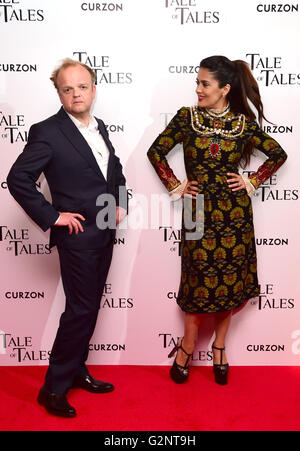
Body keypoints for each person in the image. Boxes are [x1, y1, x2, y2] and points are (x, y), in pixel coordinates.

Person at [147, 55, 287, 386]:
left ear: (224, 88)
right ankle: (188, 346)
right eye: (197, 82)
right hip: (196, 211)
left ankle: (220, 347)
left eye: (204, 83)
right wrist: (176, 185)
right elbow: (156, 152)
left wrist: (252, 181)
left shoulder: (243, 124)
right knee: (197, 282)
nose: (197, 89)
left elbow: (278, 154)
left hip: (234, 215)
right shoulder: (186, 118)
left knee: (230, 283)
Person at [7, 58, 127, 417]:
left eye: (82, 86)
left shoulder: (98, 126)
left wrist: (120, 201)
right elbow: (18, 180)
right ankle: (53, 387)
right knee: (79, 310)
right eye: (67, 88)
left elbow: (113, 169)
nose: (76, 93)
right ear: (58, 93)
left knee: (88, 308)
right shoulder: (48, 131)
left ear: (94, 88)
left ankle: (76, 369)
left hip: (104, 231)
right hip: (77, 237)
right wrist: (53, 216)